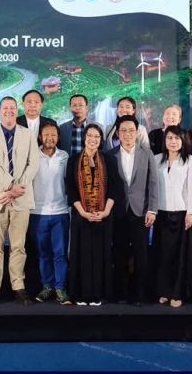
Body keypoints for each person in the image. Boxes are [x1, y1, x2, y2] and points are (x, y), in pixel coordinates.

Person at [0, 96, 40, 306]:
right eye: (5, 108)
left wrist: (17, 189)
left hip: (21, 197)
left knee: (18, 245)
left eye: (12, 108)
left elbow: (33, 164)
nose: (9, 111)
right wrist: (10, 186)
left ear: (17, 110)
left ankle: (18, 286)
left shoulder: (28, 134)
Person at [106, 115, 158, 305]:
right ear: (118, 133)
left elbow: (153, 183)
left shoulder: (147, 153)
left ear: (137, 133)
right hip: (118, 211)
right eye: (123, 130)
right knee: (119, 254)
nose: (127, 134)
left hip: (141, 212)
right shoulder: (110, 155)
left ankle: (139, 295)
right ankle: (121, 293)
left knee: (141, 255)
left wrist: (152, 210)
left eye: (131, 130)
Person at [65, 124, 116, 306]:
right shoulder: (74, 160)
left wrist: (106, 212)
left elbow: (115, 188)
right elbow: (70, 189)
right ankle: (81, 295)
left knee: (101, 255)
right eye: (90, 135)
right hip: (81, 215)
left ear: (101, 140)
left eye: (97, 136)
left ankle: (98, 295)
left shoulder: (109, 159)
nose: (93, 139)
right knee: (82, 254)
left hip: (103, 215)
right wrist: (83, 212)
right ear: (84, 138)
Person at [153, 126, 192, 308]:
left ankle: (177, 293)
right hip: (161, 213)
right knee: (163, 255)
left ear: (183, 140)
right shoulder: (157, 159)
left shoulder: (190, 160)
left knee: (180, 257)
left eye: (176, 138)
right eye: (169, 138)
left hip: (181, 214)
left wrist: (191, 213)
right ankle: (164, 291)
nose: (173, 142)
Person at [29, 121, 71, 305]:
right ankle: (47, 286)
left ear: (58, 137)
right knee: (43, 252)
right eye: (46, 134)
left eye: (53, 135)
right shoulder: (33, 155)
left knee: (60, 253)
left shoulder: (64, 156)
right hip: (38, 212)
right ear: (40, 137)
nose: (50, 138)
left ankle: (60, 288)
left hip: (61, 211)